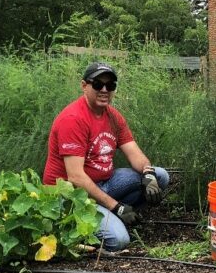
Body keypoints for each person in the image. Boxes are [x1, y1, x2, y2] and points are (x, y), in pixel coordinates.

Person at [43, 62, 169, 252]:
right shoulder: (73, 119)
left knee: (160, 176)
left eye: (110, 86)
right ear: (84, 85)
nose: (104, 90)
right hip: (71, 196)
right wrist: (116, 206)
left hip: (103, 184)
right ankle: (77, 228)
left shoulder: (113, 116)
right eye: (97, 84)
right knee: (118, 241)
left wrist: (148, 174)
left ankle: (111, 215)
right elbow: (75, 177)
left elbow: (135, 154)